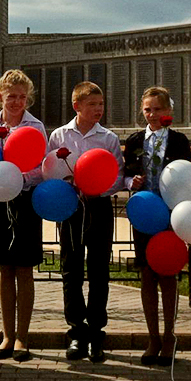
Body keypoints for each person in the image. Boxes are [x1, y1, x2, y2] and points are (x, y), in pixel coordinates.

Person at [47, 81, 123, 363]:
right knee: (71, 268)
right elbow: (50, 168)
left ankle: (96, 332)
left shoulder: (108, 138)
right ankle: (77, 330)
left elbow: (117, 175)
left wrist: (97, 186)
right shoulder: (59, 136)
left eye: (101, 104)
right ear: (76, 106)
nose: (98, 110)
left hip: (99, 206)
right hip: (69, 207)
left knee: (99, 269)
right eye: (92, 104)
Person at [122, 86, 191, 367]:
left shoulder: (178, 140)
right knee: (147, 274)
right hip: (144, 215)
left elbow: (186, 174)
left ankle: (169, 335)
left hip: (171, 215)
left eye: (158, 109)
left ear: (169, 112)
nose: (152, 114)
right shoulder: (136, 139)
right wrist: (132, 182)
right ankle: (152, 337)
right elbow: (126, 172)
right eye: (148, 109)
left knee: (168, 274)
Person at [0, 69, 46, 362]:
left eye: (22, 97)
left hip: (26, 200)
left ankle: (23, 337)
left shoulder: (36, 127)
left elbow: (42, 165)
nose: (17, 102)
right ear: (0, 97)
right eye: (11, 97)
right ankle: (6, 336)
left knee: (24, 269)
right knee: (5, 270)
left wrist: (18, 175)